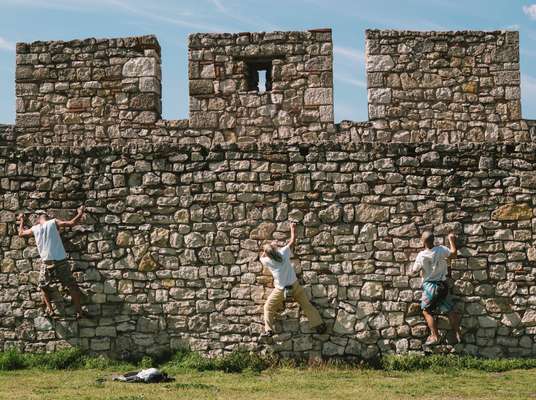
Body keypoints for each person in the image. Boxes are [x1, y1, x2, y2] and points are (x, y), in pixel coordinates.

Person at [259, 222, 326, 337]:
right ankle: (319, 324)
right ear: (275, 250)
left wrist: (269, 247)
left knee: (268, 307)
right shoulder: (283, 252)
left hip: (280, 290)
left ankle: (268, 330)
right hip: (295, 286)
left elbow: (262, 256)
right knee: (306, 305)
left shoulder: (267, 261)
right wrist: (292, 228)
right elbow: (292, 240)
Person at [17, 207, 86, 319]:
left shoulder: (35, 228)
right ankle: (79, 311)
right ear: (47, 216)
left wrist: (22, 220)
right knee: (71, 285)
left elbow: (20, 233)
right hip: (60, 259)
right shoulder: (53, 222)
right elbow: (72, 223)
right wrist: (80, 213)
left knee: (43, 285)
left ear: (38, 219)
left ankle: (50, 309)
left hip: (47, 261)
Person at [412, 231, 462, 346]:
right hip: (442, 286)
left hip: (430, 288)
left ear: (423, 241)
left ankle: (435, 336)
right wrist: (451, 240)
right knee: (449, 310)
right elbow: (454, 254)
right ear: (433, 240)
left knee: (426, 311)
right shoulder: (441, 250)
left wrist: (420, 270)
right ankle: (458, 332)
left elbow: (414, 271)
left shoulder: (421, 255)